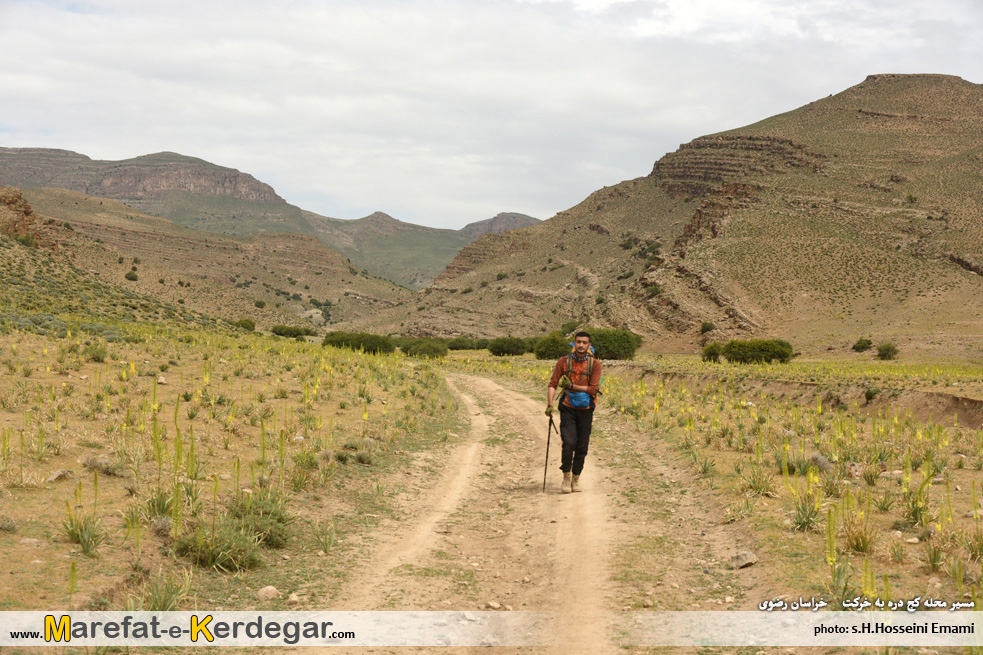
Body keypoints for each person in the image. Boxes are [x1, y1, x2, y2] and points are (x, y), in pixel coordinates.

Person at [545, 331, 601, 493]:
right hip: (567, 407)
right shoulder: (563, 361)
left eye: (584, 342)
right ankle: (566, 476)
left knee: (582, 446)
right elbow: (553, 383)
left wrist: (571, 387)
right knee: (569, 442)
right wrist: (550, 405)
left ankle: (576, 478)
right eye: (578, 342)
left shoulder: (595, 364)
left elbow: (593, 389)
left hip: (586, 409)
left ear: (589, 345)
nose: (581, 345)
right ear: (574, 343)